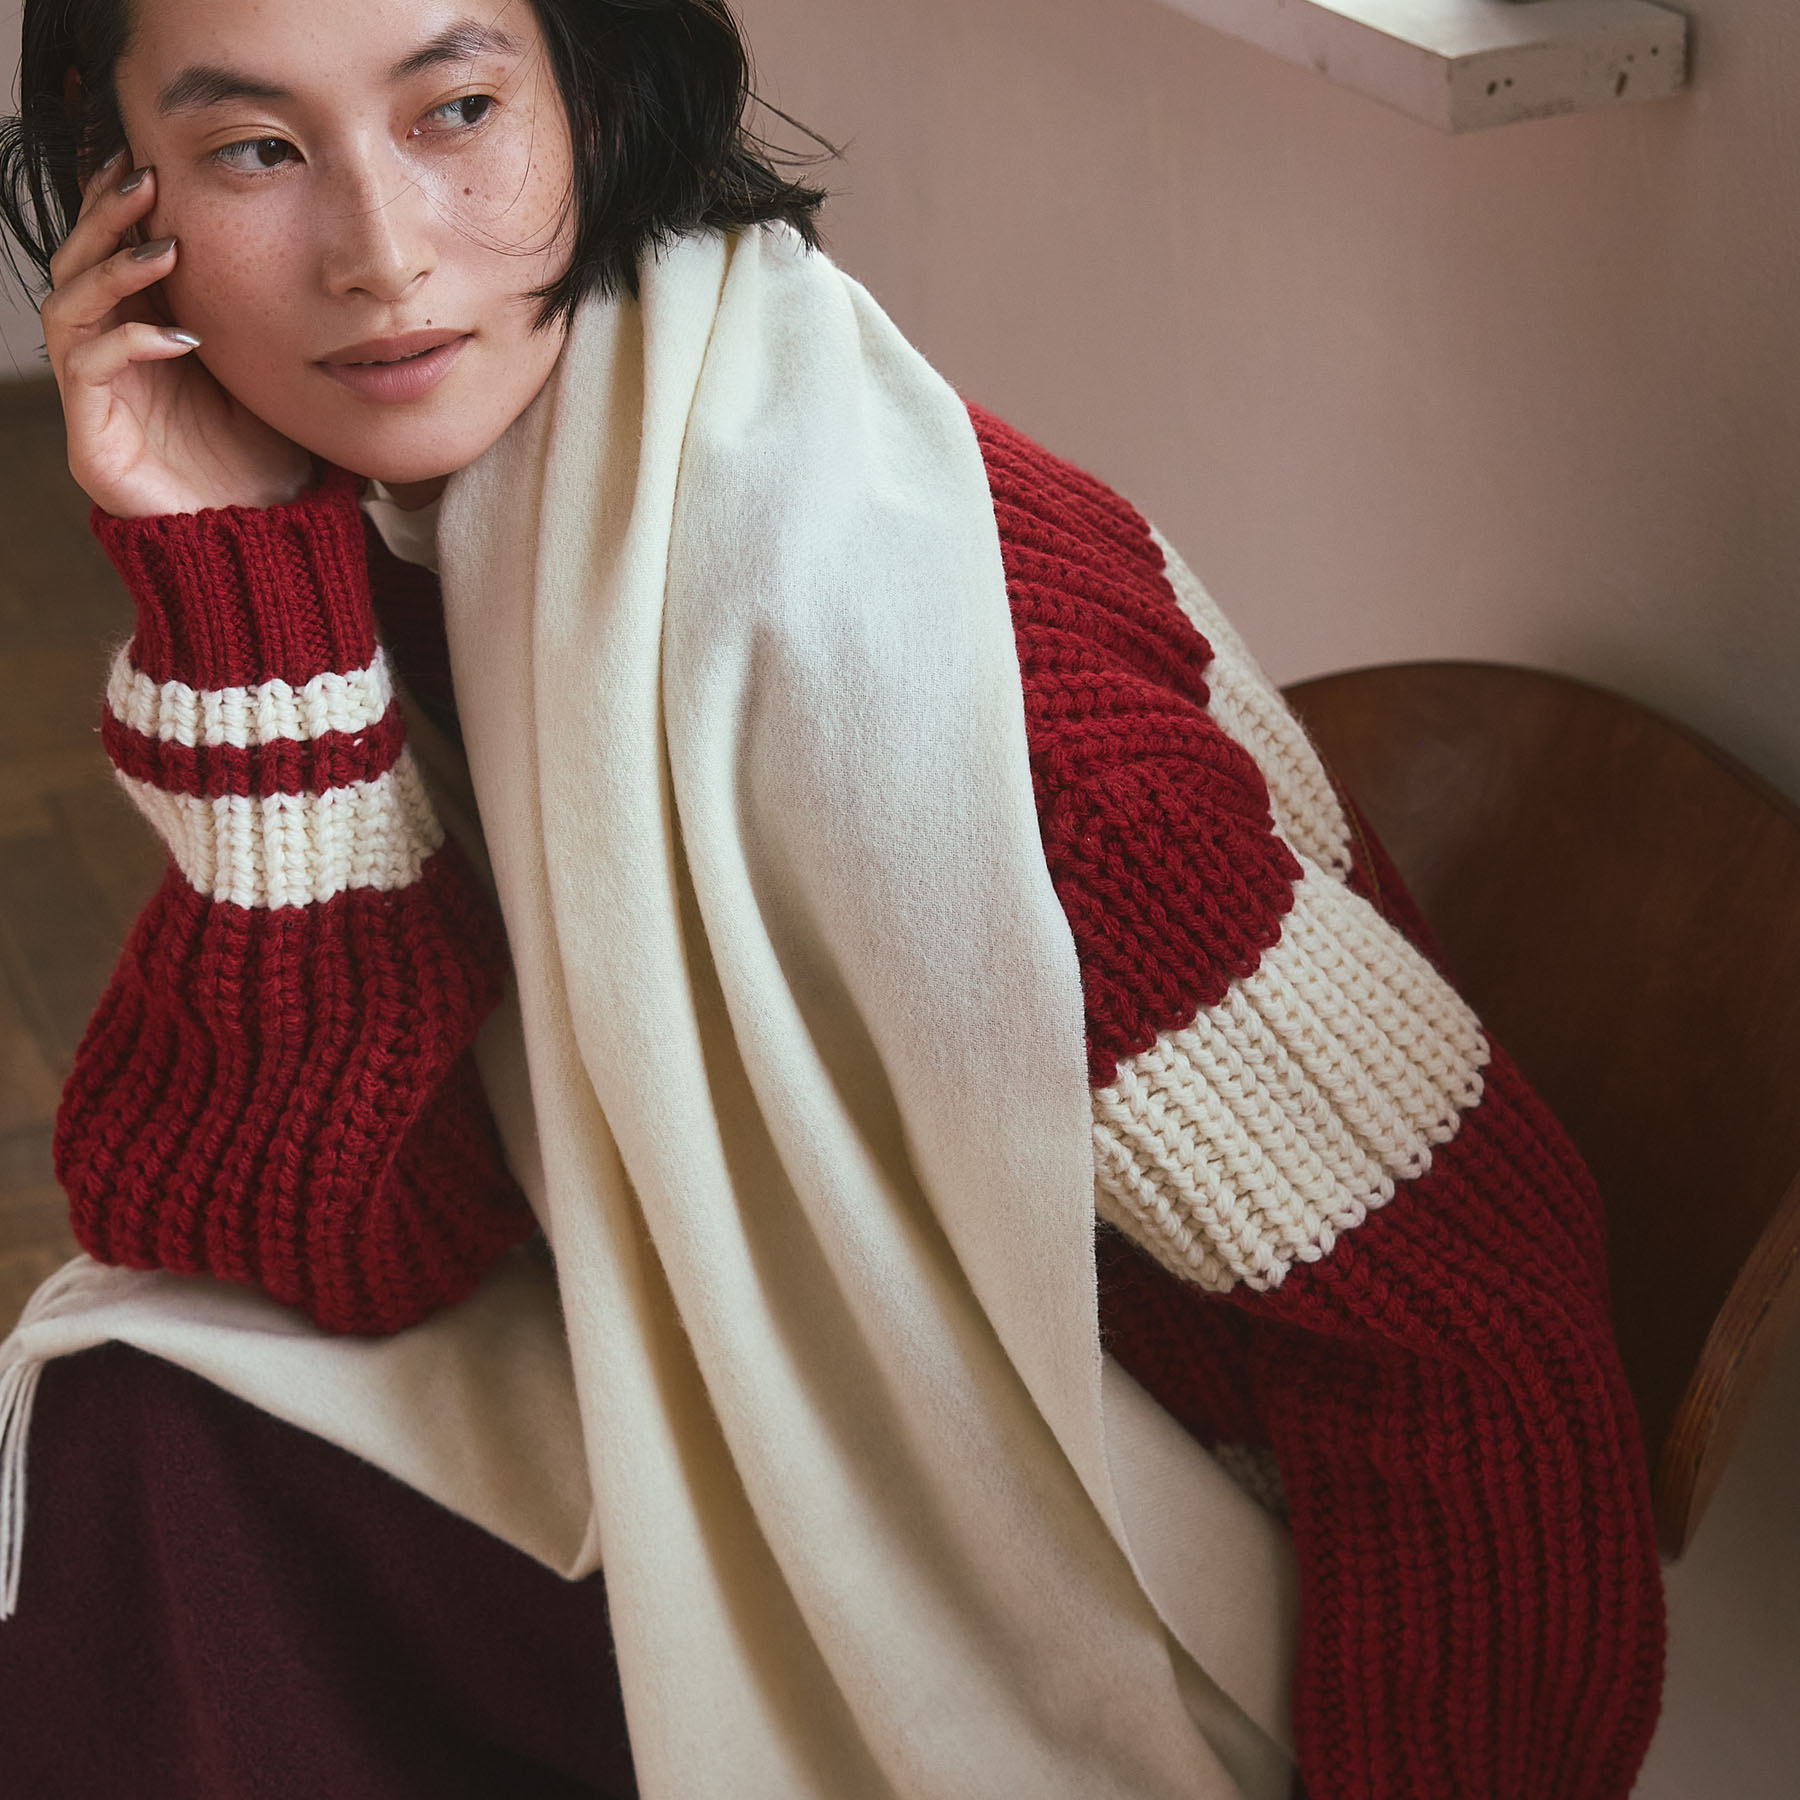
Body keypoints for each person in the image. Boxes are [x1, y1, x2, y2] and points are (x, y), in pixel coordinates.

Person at [0, 2, 1665, 1796]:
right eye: (258, 150)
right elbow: (304, 1241)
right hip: (836, 1429)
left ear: (595, 90)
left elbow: (1477, 1323)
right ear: (120, 176)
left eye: (457, 110)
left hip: (1141, 1586)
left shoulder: (941, 688)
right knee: (150, 1426)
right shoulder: (435, 522)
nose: (381, 254)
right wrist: (242, 605)